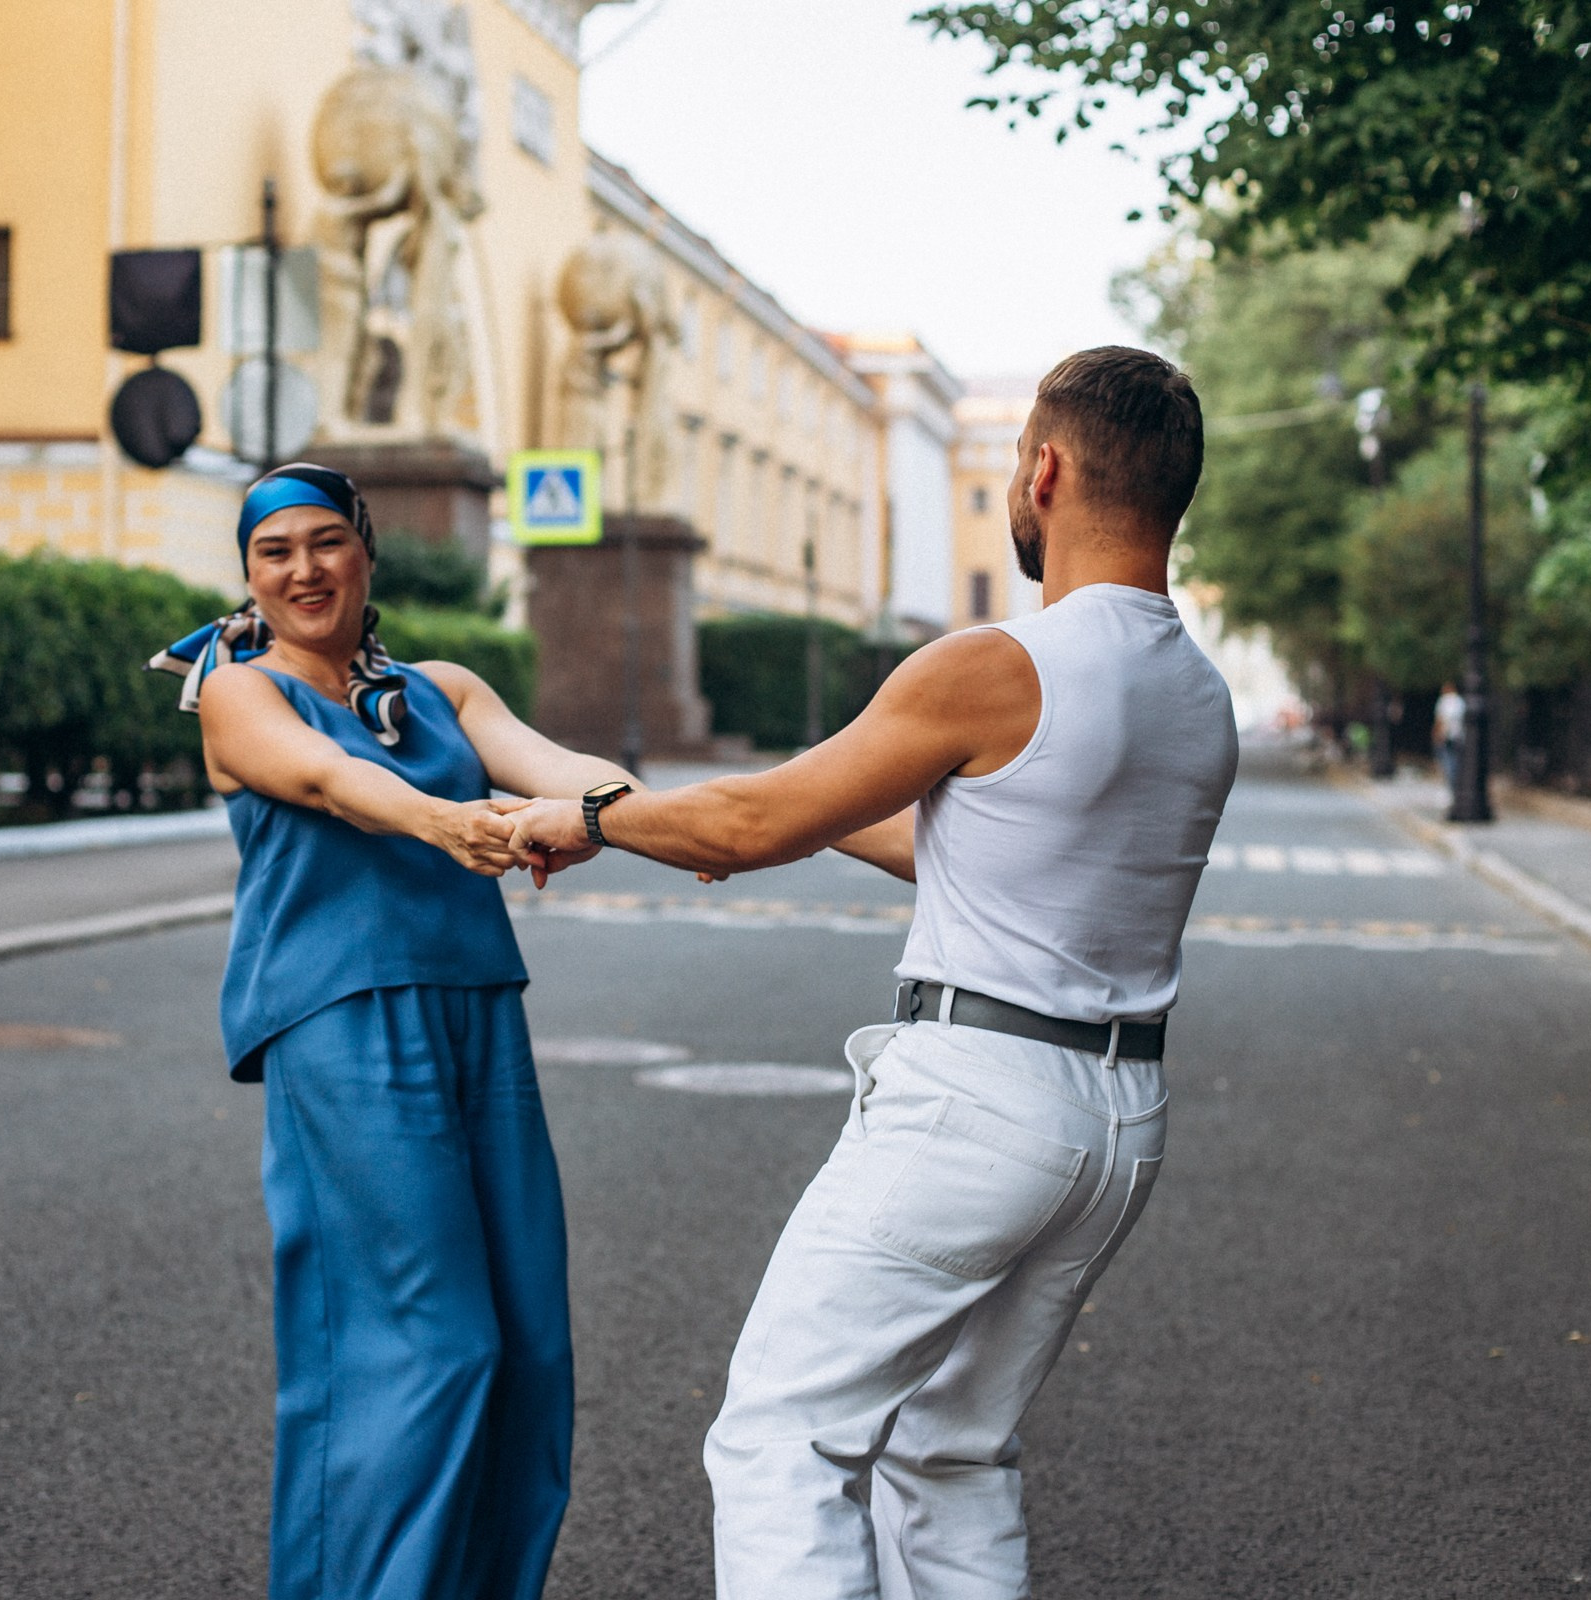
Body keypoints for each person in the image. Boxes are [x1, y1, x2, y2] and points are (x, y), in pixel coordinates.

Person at [510, 347, 1238, 1600]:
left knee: (781, 1439)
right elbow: (971, 848)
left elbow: (751, 830)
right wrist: (687, 806)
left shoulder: (997, 665)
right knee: (953, 1453)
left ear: (1046, 469)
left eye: (1017, 462)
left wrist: (595, 814)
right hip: (1118, 1127)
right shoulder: (1196, 691)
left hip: (977, 1104)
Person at [156, 463, 637, 1600]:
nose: (303, 569)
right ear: (249, 574)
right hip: (341, 1020)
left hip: (476, 1010)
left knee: (525, 1348)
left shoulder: (446, 690)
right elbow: (324, 779)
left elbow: (575, 772)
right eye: (275, 552)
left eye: (326, 542)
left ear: (368, 551)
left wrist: (605, 814)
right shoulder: (239, 688)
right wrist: (447, 822)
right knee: (427, 1346)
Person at [1434, 680, 1467, 796]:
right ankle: (1456, 786)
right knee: (1456, 762)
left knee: (1447, 762)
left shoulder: (1444, 701)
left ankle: (1451, 788)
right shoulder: (1460, 702)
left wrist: (1437, 734)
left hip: (1446, 736)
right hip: (1458, 736)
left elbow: (1440, 719)